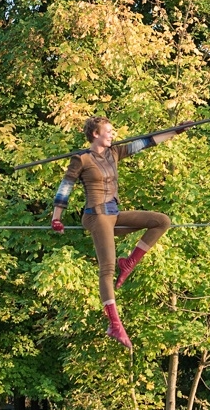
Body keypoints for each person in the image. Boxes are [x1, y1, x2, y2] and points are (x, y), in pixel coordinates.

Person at [51, 116, 189, 349]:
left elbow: (147, 142)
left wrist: (177, 131)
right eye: (109, 131)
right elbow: (66, 187)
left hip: (114, 214)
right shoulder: (81, 158)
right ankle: (114, 324)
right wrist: (56, 217)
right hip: (96, 215)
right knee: (106, 268)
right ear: (95, 134)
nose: (113, 134)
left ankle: (129, 263)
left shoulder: (114, 153)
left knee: (161, 221)